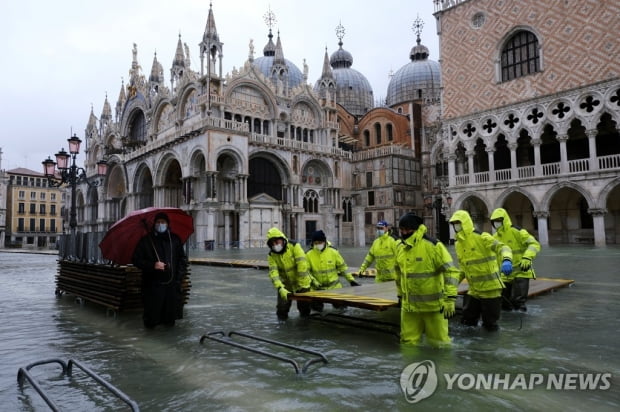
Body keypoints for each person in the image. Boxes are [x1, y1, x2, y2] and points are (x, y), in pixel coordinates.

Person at [394, 213, 460, 347]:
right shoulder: (400, 247)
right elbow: (398, 274)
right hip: (409, 309)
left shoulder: (433, 246)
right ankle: (409, 366)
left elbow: (451, 271)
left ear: (416, 228)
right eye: (401, 230)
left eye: (407, 230)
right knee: (408, 343)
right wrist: (400, 295)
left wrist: (450, 298)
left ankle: (444, 367)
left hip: (433, 308)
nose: (404, 233)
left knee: (440, 344)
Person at [449, 210, 513, 332]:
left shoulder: (482, 237)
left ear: (465, 222)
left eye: (458, 222)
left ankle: (490, 348)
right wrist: (450, 285)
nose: (456, 225)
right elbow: (463, 269)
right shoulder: (459, 244)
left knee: (490, 325)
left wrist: (507, 260)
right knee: (467, 322)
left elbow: (503, 247)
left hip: (491, 289)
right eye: (454, 223)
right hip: (474, 290)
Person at [132, 212, 188, 329]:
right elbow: (136, 260)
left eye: (163, 222)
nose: (160, 224)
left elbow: (182, 259)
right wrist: (153, 265)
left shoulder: (175, 239)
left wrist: (178, 278)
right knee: (152, 320)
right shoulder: (146, 241)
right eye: (158, 222)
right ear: (154, 224)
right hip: (152, 287)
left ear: (167, 224)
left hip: (171, 286)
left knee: (170, 319)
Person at [490, 208, 541, 312]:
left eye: (499, 220)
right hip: (505, 273)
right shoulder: (494, 237)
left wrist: (527, 257)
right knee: (504, 303)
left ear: (504, 219)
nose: (497, 223)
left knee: (518, 302)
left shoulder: (517, 231)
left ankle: (522, 323)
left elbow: (534, 244)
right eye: (494, 221)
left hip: (521, 271)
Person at [306, 230, 360, 312]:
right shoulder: (308, 255)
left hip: (335, 288)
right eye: (315, 243)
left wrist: (351, 280)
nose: (318, 245)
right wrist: (314, 282)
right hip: (317, 289)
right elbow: (306, 272)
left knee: (342, 310)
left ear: (324, 241)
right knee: (316, 311)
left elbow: (343, 268)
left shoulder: (333, 252)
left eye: (320, 242)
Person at [266, 227, 312, 320]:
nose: (275, 245)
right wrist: (280, 287)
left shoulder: (294, 246)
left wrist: (302, 284)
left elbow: (302, 264)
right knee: (281, 309)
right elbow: (273, 273)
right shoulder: (271, 255)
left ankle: (305, 325)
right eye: (273, 243)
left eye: (277, 242)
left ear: (282, 239)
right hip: (285, 284)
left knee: (304, 308)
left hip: (302, 283)